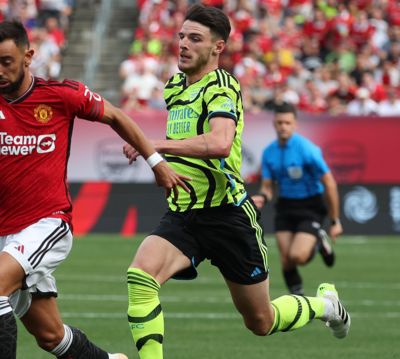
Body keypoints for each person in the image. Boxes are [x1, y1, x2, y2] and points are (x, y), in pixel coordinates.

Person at [0, 20, 186, 359]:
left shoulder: (59, 96)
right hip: (4, 234)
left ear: (28, 56)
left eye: (6, 61)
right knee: (51, 336)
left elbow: (115, 116)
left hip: (48, 222)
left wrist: (156, 162)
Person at [121, 6, 350, 359]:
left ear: (217, 47)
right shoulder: (173, 87)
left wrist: (153, 145)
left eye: (194, 39)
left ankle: (326, 306)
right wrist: (159, 166)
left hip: (228, 215)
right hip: (184, 213)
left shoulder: (222, 86)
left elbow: (219, 143)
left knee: (261, 321)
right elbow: (182, 142)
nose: (183, 44)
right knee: (140, 276)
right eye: (181, 36)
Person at [251, 102, 343, 295]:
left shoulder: (307, 149)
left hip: (310, 206)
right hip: (285, 206)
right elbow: (267, 187)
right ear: (274, 125)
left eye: (287, 122)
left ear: (295, 124)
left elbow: (330, 183)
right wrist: (262, 197)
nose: (283, 126)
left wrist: (335, 221)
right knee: (286, 260)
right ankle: (298, 298)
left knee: (298, 256)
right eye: (279, 122)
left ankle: (319, 241)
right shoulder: (269, 153)